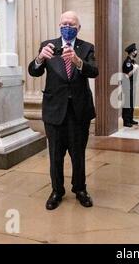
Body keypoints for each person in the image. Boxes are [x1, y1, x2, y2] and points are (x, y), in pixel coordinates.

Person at [28, 11, 99, 211]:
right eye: (64, 23)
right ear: (59, 25)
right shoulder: (48, 46)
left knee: (78, 154)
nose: (67, 26)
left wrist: (78, 61)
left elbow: (94, 71)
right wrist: (40, 58)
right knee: (55, 155)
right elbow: (34, 71)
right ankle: (57, 190)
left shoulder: (86, 47)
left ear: (78, 27)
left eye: (72, 24)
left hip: (79, 111)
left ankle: (80, 189)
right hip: (54, 110)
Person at [122, 43, 139, 127]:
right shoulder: (127, 62)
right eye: (135, 50)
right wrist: (135, 69)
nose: (136, 52)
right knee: (127, 103)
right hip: (127, 85)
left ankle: (130, 119)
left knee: (131, 103)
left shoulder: (133, 61)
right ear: (132, 52)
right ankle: (126, 121)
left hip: (132, 84)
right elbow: (127, 75)